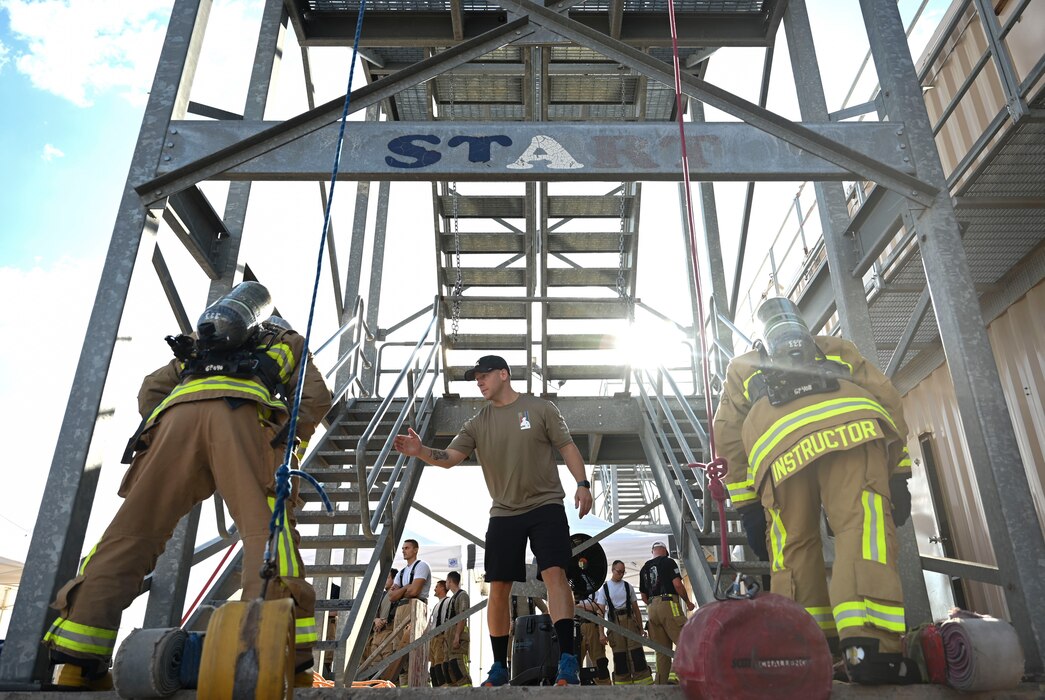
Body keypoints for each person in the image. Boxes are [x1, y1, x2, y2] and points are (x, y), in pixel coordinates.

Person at [42, 283, 332, 690]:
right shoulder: (287, 341)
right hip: (243, 422)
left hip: (174, 424)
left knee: (131, 534)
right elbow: (318, 397)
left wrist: (169, 426)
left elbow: (150, 389)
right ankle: (283, 663)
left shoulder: (202, 344)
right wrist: (283, 440)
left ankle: (77, 663)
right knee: (265, 534)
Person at [712, 296, 919, 685]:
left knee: (793, 546)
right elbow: (886, 396)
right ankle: (869, 649)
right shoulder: (837, 349)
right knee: (862, 529)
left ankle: (804, 648)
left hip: (779, 446)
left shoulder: (742, 367)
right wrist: (897, 472)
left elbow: (727, 436)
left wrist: (749, 506)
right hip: (854, 428)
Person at [393, 354, 593, 687]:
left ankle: (568, 661)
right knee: (498, 586)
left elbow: (567, 446)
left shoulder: (540, 408)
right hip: (504, 512)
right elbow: (449, 459)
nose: (479, 381)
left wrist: (582, 484)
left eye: (484, 375)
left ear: (504, 374)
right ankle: (499, 667)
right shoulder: (477, 423)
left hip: (547, 505)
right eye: (476, 378)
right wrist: (421, 451)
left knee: (555, 574)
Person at [639, 541, 694, 684]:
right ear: (665, 551)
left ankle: (661, 685)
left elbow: (643, 596)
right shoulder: (669, 562)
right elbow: (677, 585)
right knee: (686, 641)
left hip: (651, 608)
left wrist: (654, 604)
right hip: (669, 604)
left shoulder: (644, 568)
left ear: (653, 552)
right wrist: (687, 602)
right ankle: (675, 676)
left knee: (661, 652)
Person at [596, 560, 653, 685]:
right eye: (618, 572)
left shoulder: (628, 587)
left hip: (630, 622)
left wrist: (641, 628)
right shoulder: (604, 589)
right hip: (614, 624)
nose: (621, 574)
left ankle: (644, 684)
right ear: (612, 570)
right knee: (620, 657)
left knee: (637, 654)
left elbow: (636, 609)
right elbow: (600, 613)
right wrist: (601, 633)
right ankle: (623, 687)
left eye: (623, 572)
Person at [384, 539, 432, 686]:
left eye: (407, 548)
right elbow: (391, 597)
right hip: (401, 609)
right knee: (398, 651)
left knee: (413, 651)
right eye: (403, 548)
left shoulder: (421, 566)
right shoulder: (402, 572)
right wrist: (406, 588)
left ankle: (415, 688)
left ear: (416, 550)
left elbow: (415, 591)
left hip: (415, 607)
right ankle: (402, 687)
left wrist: (402, 590)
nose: (404, 551)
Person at [361, 568, 398, 675]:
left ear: (394, 579)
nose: (384, 580)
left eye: (387, 577)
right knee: (374, 666)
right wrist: (376, 620)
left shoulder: (397, 594)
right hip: (377, 633)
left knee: (387, 665)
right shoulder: (381, 595)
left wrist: (385, 621)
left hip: (388, 633)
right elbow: (372, 614)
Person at [443, 570, 471, 686]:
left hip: (457, 636)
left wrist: (457, 636)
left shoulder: (462, 595)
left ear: (449, 581)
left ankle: (469, 694)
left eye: (446, 581)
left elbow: (462, 617)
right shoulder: (452, 598)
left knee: (459, 668)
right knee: (449, 671)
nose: (446, 583)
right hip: (449, 638)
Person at [575, 593, 611, 685]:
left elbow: (598, 607)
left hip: (594, 628)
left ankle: (605, 687)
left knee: (600, 663)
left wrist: (579, 605)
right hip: (577, 628)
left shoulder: (597, 593)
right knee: (574, 662)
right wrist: (589, 607)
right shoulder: (573, 593)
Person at [427, 580, 451, 687]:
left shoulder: (448, 601)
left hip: (440, 637)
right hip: (433, 638)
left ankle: (443, 689)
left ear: (442, 588)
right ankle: (435, 689)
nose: (434, 589)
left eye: (436, 587)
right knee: (433, 667)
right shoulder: (437, 605)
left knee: (439, 665)